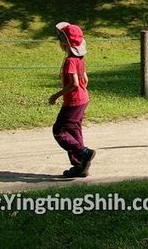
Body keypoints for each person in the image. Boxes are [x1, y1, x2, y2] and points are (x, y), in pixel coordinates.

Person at [49, 22, 96, 178]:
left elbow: (74, 84)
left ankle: (84, 153)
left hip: (74, 102)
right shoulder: (80, 59)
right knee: (74, 130)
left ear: (64, 42)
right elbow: (85, 80)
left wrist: (56, 95)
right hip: (83, 99)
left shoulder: (70, 61)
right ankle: (80, 166)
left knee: (59, 131)